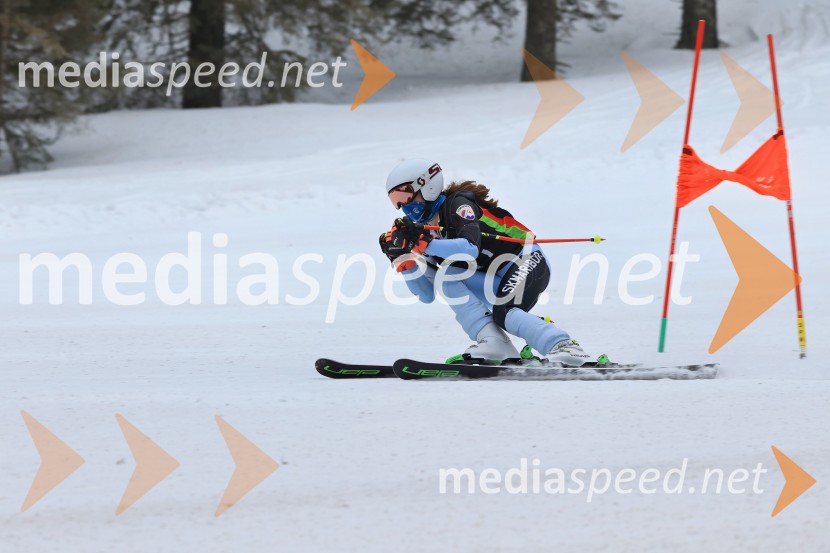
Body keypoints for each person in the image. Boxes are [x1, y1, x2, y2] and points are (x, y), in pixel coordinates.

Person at [379, 158, 594, 367]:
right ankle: (495, 344)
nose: (402, 206)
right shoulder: (426, 233)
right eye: (395, 200)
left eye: (405, 195)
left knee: (505, 312)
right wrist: (403, 260)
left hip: (527, 259)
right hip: (495, 277)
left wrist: (423, 244)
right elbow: (426, 294)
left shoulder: (457, 205)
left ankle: (563, 345)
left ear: (427, 186)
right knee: (448, 276)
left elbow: (469, 248)